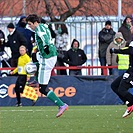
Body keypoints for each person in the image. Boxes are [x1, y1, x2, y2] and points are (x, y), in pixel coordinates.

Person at [26, 14, 68, 118]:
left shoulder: (39, 29)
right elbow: (48, 32)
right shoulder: (43, 25)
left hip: (47, 58)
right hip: (46, 55)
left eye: (30, 24)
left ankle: (62, 105)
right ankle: (37, 77)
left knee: (42, 89)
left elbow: (44, 37)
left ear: (35, 22)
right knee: (34, 57)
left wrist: (45, 47)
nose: (29, 26)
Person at [110, 41, 133, 118]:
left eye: (132, 27)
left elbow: (130, 51)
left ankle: (131, 104)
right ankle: (130, 104)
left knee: (122, 90)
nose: (131, 28)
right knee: (114, 85)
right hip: (129, 71)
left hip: (132, 72)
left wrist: (115, 50)